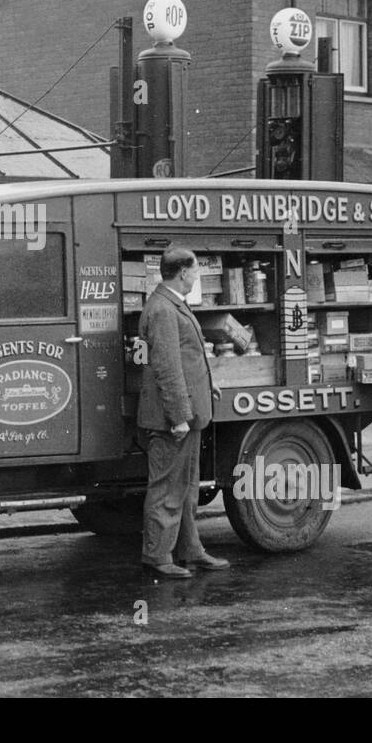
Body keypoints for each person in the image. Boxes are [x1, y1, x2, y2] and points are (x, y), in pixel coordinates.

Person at [136, 246, 230, 578]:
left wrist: (206, 384)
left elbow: (186, 357)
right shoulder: (163, 308)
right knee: (167, 488)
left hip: (188, 411)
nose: (197, 277)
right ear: (183, 273)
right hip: (173, 418)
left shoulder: (169, 303)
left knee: (188, 487)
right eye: (195, 271)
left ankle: (191, 550)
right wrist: (177, 416)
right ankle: (158, 556)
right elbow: (166, 366)